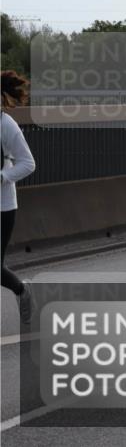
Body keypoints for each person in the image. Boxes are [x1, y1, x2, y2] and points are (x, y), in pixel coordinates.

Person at [1, 71, 36, 325]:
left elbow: (28, 163)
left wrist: (3, 176)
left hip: (2, 207)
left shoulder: (6, 125)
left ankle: (22, 290)